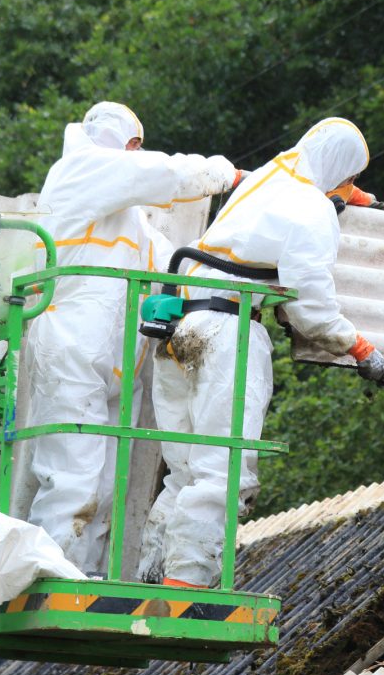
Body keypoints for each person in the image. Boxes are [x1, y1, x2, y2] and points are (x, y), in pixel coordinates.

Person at [138, 117, 384, 588]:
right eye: (351, 176)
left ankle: (151, 586)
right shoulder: (310, 207)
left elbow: (297, 193)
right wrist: (356, 346)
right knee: (223, 472)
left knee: (185, 472)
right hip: (226, 333)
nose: (350, 188)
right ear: (338, 169)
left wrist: (351, 197)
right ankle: (185, 591)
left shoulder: (269, 179)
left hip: (179, 324)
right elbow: (308, 302)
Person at [26, 101, 242, 573]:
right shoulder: (81, 168)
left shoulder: (131, 223)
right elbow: (165, 174)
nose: (135, 155)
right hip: (72, 349)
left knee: (102, 486)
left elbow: (175, 266)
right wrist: (228, 174)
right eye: (133, 146)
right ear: (124, 143)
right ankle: (43, 578)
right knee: (72, 478)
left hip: (112, 364)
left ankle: (78, 578)